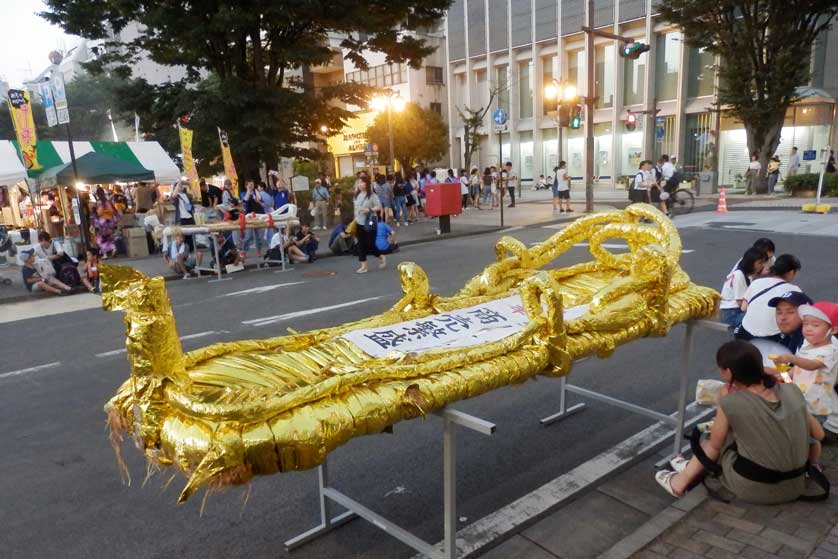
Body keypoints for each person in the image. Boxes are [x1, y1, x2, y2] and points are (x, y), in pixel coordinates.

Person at [655, 340, 824, 504]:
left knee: (715, 435)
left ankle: (680, 482)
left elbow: (715, 444)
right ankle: (693, 466)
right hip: (796, 483)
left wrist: (723, 402)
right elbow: (819, 434)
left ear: (728, 372)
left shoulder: (732, 402)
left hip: (756, 487)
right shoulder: (791, 389)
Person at [773, 302, 838, 466]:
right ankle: (800, 458)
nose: (808, 328)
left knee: (811, 437)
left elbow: (811, 365)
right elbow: (799, 369)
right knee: (801, 433)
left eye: (815, 325)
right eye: (806, 324)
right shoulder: (807, 346)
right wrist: (783, 374)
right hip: (803, 399)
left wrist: (791, 359)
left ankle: (813, 464)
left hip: (818, 405)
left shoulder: (830, 351)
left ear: (833, 330)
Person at [735, 254, 803, 342]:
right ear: (791, 272)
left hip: (745, 334)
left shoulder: (756, 282)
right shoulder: (795, 290)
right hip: (772, 338)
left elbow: (743, 308)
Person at [719, 247, 768, 329]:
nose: (762, 266)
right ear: (751, 263)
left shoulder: (747, 275)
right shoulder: (739, 275)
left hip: (735, 311)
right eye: (760, 263)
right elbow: (741, 304)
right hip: (732, 314)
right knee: (762, 318)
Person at [353, 176, 384, 274]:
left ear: (367, 184)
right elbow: (355, 208)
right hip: (359, 222)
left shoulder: (372, 195)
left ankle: (380, 256)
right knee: (360, 245)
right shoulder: (356, 195)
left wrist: (369, 210)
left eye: (362, 182)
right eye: (359, 183)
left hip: (369, 222)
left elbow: (379, 207)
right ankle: (364, 266)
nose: (360, 184)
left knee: (370, 244)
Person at [93, 186, 121, 258]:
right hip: (110, 223)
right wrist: (115, 221)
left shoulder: (97, 203)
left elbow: (95, 214)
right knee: (109, 238)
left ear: (97, 194)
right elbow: (115, 211)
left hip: (101, 223)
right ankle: (113, 248)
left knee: (101, 239)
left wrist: (94, 224)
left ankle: (105, 254)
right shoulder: (109, 201)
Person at [241, 180, 266, 258]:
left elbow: (263, 205)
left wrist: (258, 201)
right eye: (249, 185)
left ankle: (259, 250)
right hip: (249, 217)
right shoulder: (243, 193)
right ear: (246, 186)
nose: (251, 186)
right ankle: (244, 251)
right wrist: (248, 190)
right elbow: (245, 200)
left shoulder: (257, 193)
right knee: (248, 236)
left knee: (259, 237)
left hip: (259, 216)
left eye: (252, 184)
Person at [172, 181, 195, 252]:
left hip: (189, 217)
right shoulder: (176, 196)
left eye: (181, 186)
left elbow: (194, 195)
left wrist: (189, 184)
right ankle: (184, 252)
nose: (181, 188)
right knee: (182, 236)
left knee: (190, 236)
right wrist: (178, 183)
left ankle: (191, 250)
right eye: (179, 186)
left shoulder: (187, 195)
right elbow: (173, 195)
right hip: (181, 218)